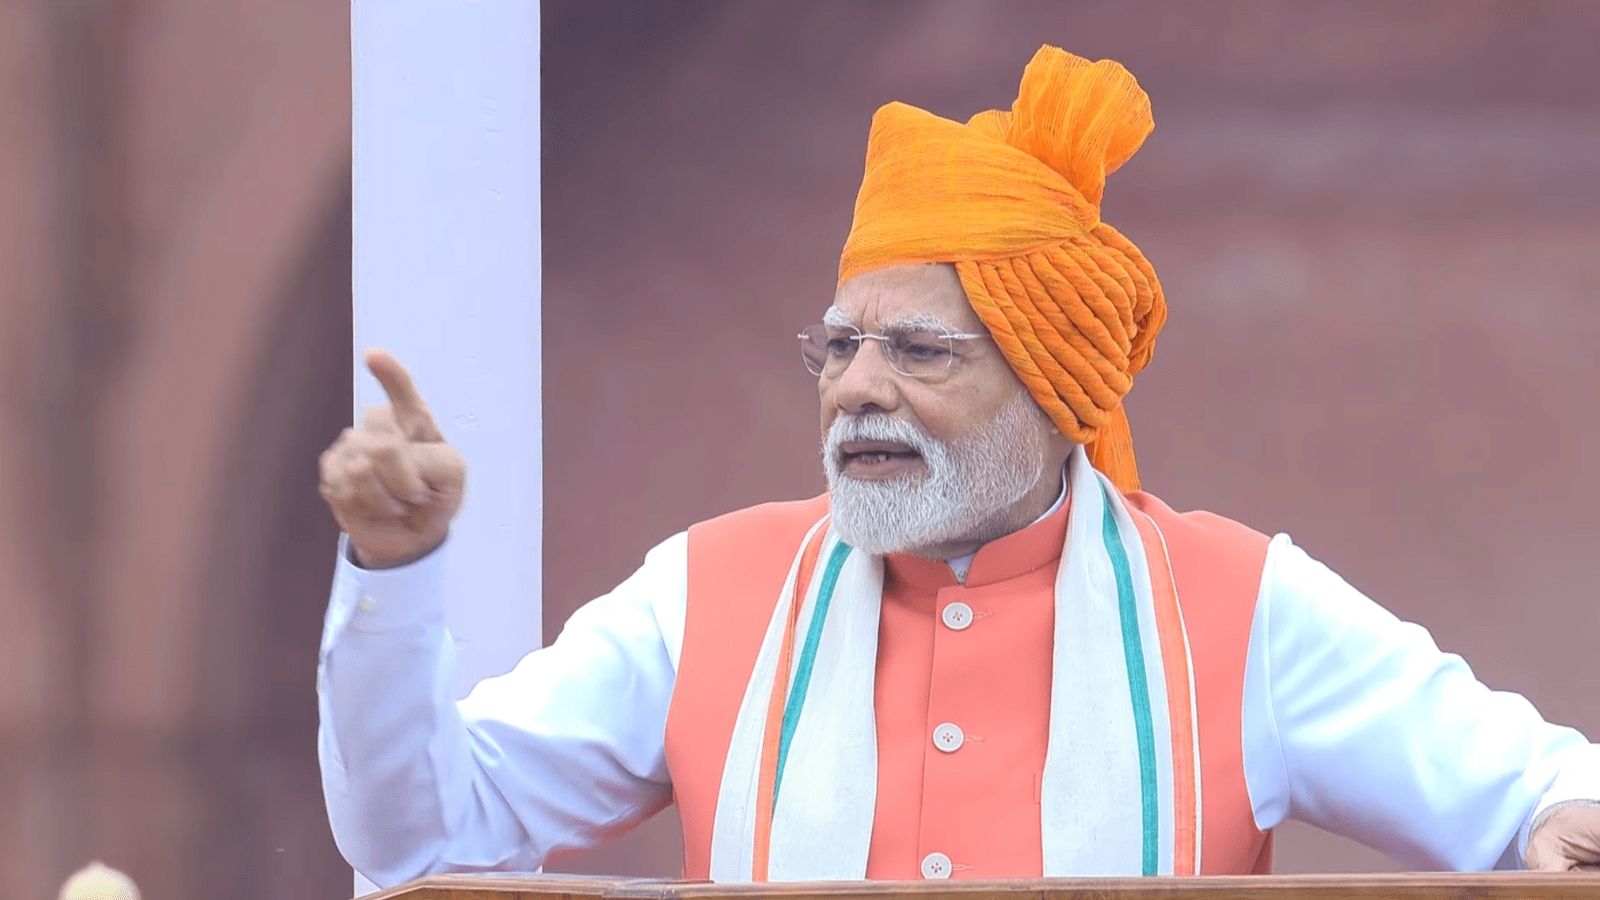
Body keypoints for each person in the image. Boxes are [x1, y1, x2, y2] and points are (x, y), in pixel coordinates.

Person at [316, 46, 1600, 887]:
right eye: (839, 347)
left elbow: (1539, 787)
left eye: (920, 351)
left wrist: (1554, 818)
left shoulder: (1238, 606)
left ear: (1053, 384)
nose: (858, 387)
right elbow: (424, 832)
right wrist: (394, 570)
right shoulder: (705, 592)